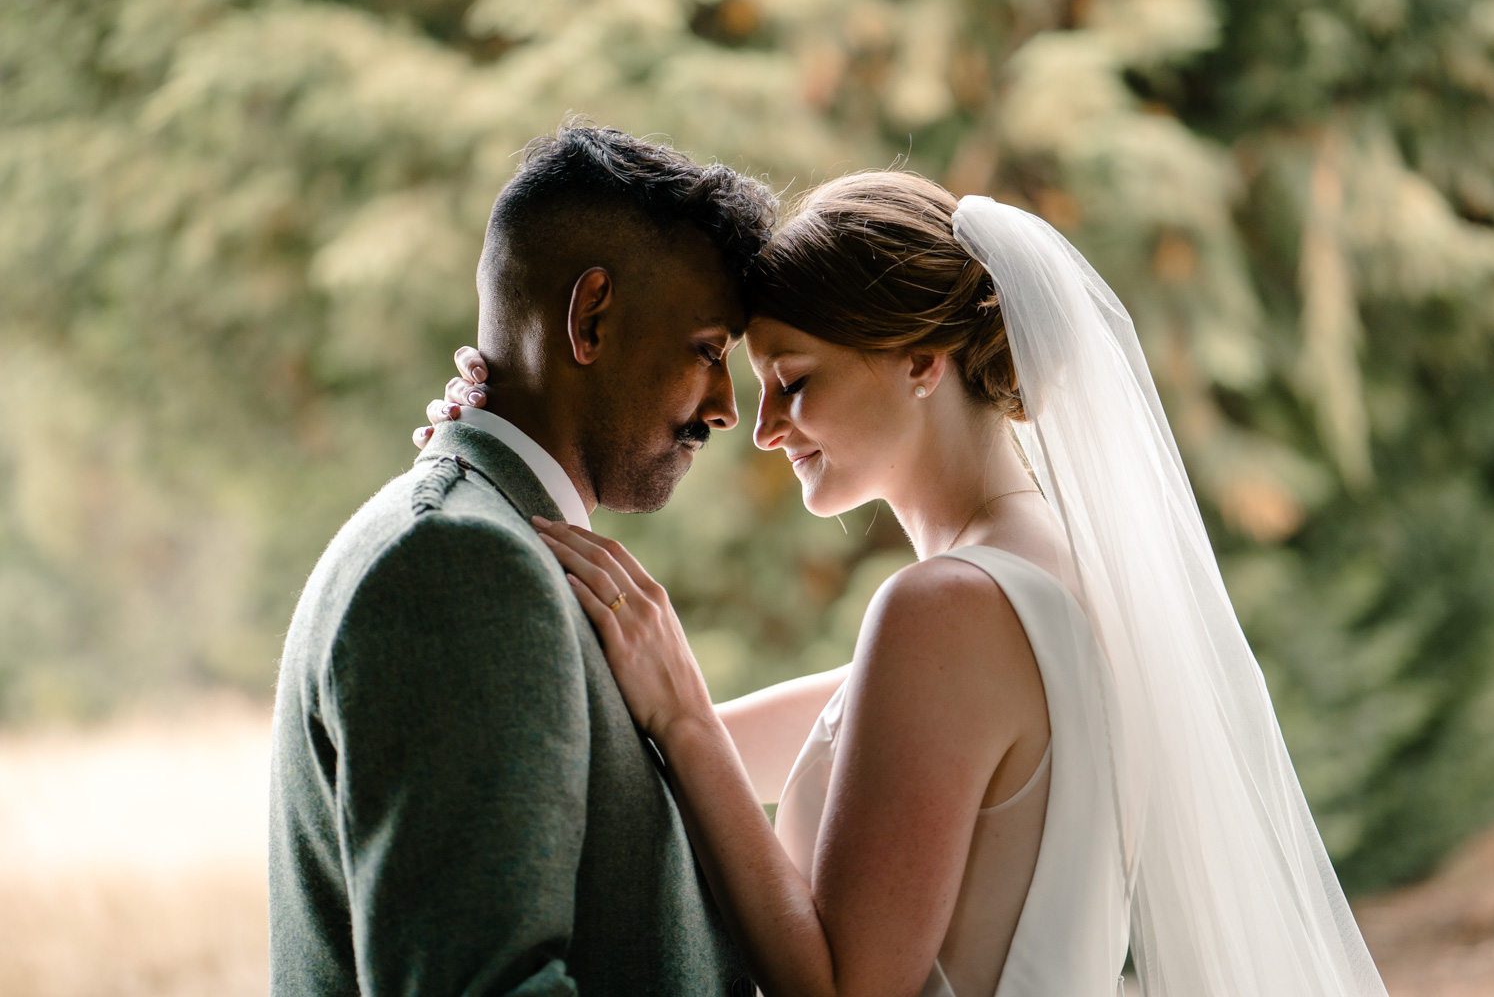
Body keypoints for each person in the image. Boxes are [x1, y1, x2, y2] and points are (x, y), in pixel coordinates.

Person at [429, 171, 1390, 997]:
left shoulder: (948, 611)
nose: (763, 429)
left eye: (794, 382)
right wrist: (485, 449)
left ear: (923, 362)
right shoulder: (1051, 580)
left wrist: (680, 709)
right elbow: (692, 760)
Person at [269, 122, 775, 997]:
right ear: (591, 317)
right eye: (708, 350)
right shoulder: (457, 565)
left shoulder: (494, 542)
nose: (726, 408)